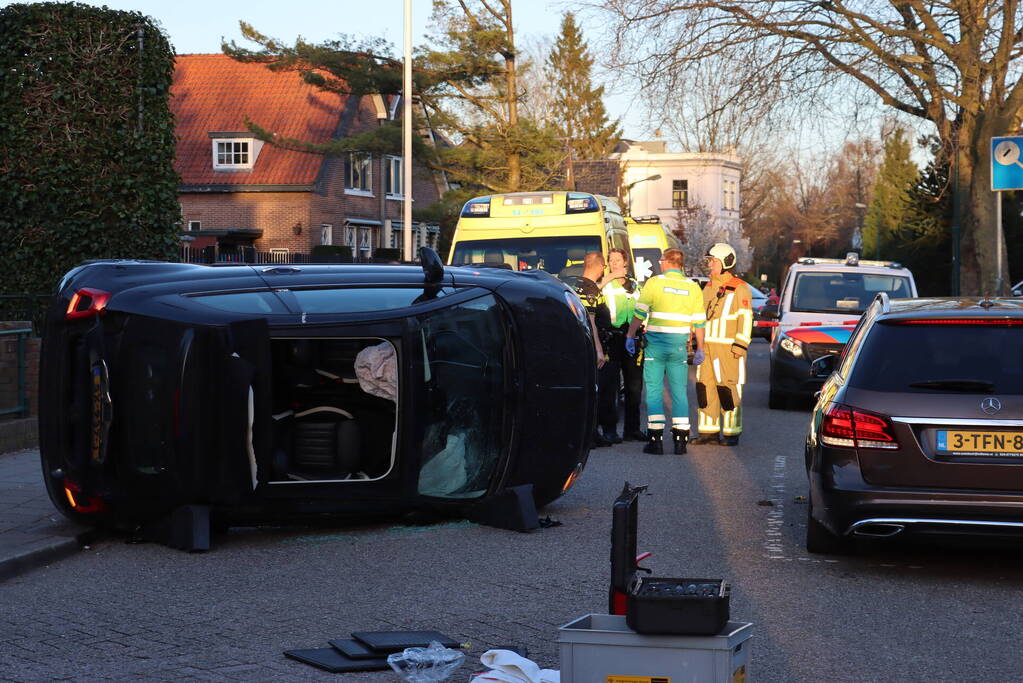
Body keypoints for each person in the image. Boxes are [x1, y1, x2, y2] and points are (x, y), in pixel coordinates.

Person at [624, 249, 706, 455]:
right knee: (679, 392)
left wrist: (630, 335)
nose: (659, 263)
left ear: (668, 262)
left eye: (661, 260)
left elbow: (639, 312)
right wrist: (700, 349)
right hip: (678, 347)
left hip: (656, 347)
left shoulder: (655, 283)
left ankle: (656, 441)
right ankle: (680, 442)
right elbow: (699, 322)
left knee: (654, 391)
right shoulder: (693, 287)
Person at [692, 243, 754, 447]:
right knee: (704, 387)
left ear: (726, 262)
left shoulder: (740, 288)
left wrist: (740, 346)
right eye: (709, 261)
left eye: (713, 261)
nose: (709, 265)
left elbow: (745, 318)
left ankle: (731, 433)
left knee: (728, 389)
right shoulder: (708, 287)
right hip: (707, 347)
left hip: (728, 349)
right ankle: (708, 432)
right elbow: (700, 316)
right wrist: (694, 340)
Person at [600, 248, 644, 443]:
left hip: (632, 337)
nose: (614, 263)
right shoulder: (605, 284)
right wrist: (608, 277)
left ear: (626, 263)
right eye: (611, 260)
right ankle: (610, 430)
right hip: (613, 337)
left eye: (618, 260)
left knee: (634, 385)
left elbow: (643, 307)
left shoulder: (634, 284)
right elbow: (596, 294)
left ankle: (632, 429)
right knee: (611, 386)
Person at [573, 251, 614, 447]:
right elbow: (591, 322)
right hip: (592, 347)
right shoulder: (589, 290)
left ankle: (592, 433)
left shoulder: (573, 285)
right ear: (600, 266)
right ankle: (591, 435)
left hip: (579, 347)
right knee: (595, 391)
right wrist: (599, 349)